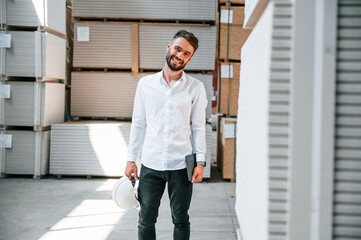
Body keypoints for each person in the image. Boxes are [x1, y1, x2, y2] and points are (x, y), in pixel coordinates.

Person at [125, 29, 208, 240]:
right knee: (145, 220)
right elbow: (138, 124)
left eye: (186, 53)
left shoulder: (196, 88)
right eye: (178, 49)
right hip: (151, 165)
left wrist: (201, 162)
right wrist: (131, 159)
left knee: (180, 219)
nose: (180, 56)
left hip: (182, 166)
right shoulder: (145, 84)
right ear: (169, 46)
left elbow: (198, 127)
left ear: (191, 58)